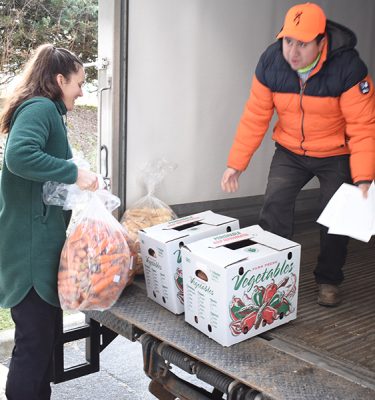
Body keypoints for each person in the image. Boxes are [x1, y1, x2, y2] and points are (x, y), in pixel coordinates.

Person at [221, 3, 375, 307]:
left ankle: (329, 280)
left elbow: (363, 126)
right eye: (288, 41)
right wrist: (236, 164)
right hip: (291, 149)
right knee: (274, 205)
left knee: (334, 217)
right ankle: (268, 276)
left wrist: (364, 177)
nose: (293, 51)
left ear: (321, 41)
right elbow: (255, 116)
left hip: (335, 153)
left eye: (302, 44)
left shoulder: (348, 68)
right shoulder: (270, 62)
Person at [0, 44, 99, 399]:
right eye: (79, 83)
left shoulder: (47, 110)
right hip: (29, 249)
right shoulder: (41, 107)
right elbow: (20, 156)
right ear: (59, 79)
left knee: (41, 341)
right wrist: (73, 173)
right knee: (34, 344)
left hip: (35, 241)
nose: (83, 91)